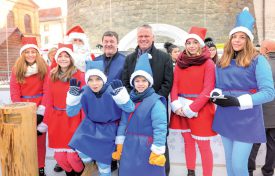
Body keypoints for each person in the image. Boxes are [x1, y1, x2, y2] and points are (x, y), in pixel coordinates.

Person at [210, 7, 275, 176]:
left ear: (249, 40)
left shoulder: (258, 60)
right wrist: (216, 95)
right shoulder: (223, 60)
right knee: (230, 167)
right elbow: (218, 86)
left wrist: (238, 101)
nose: (237, 40)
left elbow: (268, 92)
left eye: (242, 37)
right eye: (235, 37)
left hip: (246, 118)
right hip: (225, 116)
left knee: (239, 167)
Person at [122, 24, 173, 175]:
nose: (143, 39)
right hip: (134, 108)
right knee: (136, 143)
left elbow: (167, 83)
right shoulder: (130, 58)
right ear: (137, 38)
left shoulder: (164, 57)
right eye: (140, 36)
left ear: (153, 38)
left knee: (159, 139)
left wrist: (152, 100)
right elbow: (125, 82)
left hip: (155, 107)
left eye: (146, 36)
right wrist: (135, 100)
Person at [66, 60, 133, 176]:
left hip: (108, 129)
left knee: (103, 164)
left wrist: (122, 97)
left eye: (97, 79)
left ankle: (101, 169)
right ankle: (90, 164)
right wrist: (73, 98)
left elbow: (130, 108)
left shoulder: (112, 91)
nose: (94, 83)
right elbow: (71, 113)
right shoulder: (85, 91)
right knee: (79, 146)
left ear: (103, 79)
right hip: (89, 126)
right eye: (91, 80)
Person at [169, 26, 217, 176]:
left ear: (200, 45)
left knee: (203, 145)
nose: (191, 45)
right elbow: (174, 84)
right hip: (181, 108)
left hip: (200, 109)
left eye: (194, 42)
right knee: (188, 142)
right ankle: (191, 172)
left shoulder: (208, 63)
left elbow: (208, 88)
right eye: (188, 43)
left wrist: (193, 108)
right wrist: (176, 105)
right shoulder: (180, 62)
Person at [112, 53, 167, 176]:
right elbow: (123, 123)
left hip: (147, 146)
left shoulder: (156, 102)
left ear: (149, 82)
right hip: (130, 145)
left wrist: (157, 149)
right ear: (133, 83)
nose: (140, 84)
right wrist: (120, 142)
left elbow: (160, 128)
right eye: (137, 81)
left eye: (143, 80)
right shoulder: (129, 100)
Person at [44, 43, 85, 176]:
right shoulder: (52, 75)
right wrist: (46, 120)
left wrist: (84, 121)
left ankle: (80, 172)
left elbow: (84, 100)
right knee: (60, 158)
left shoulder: (79, 75)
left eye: (66, 56)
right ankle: (70, 173)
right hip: (57, 120)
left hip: (73, 118)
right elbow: (48, 98)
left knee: (72, 157)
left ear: (71, 58)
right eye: (60, 56)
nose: (63, 59)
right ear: (56, 58)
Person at [10, 37, 48, 176]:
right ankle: (27, 167)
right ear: (23, 54)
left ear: (37, 53)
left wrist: (41, 112)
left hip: (40, 106)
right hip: (24, 107)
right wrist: (21, 109)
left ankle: (41, 168)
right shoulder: (16, 69)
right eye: (27, 52)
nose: (30, 54)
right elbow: (14, 92)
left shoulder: (44, 68)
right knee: (24, 140)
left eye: (33, 51)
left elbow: (47, 90)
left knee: (39, 141)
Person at [93, 31, 126, 171]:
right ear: (102, 43)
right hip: (99, 104)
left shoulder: (125, 60)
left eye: (112, 41)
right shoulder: (96, 60)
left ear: (117, 43)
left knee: (116, 134)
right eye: (106, 41)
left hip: (117, 105)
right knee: (102, 135)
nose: (108, 44)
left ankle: (114, 158)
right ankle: (104, 158)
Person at [248, 40, 275, 176]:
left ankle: (249, 170)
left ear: (265, 50)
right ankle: (268, 171)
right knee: (273, 145)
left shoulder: (261, 64)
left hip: (261, 111)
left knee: (254, 144)